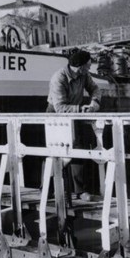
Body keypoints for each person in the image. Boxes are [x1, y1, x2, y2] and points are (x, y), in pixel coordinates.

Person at [46, 49, 101, 201]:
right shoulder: (59, 78)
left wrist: (95, 102)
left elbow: (95, 88)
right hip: (56, 115)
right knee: (56, 151)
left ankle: (79, 191)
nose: (90, 68)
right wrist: (81, 108)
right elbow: (60, 107)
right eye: (88, 66)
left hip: (74, 113)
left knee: (77, 149)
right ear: (80, 67)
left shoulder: (84, 75)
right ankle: (47, 187)